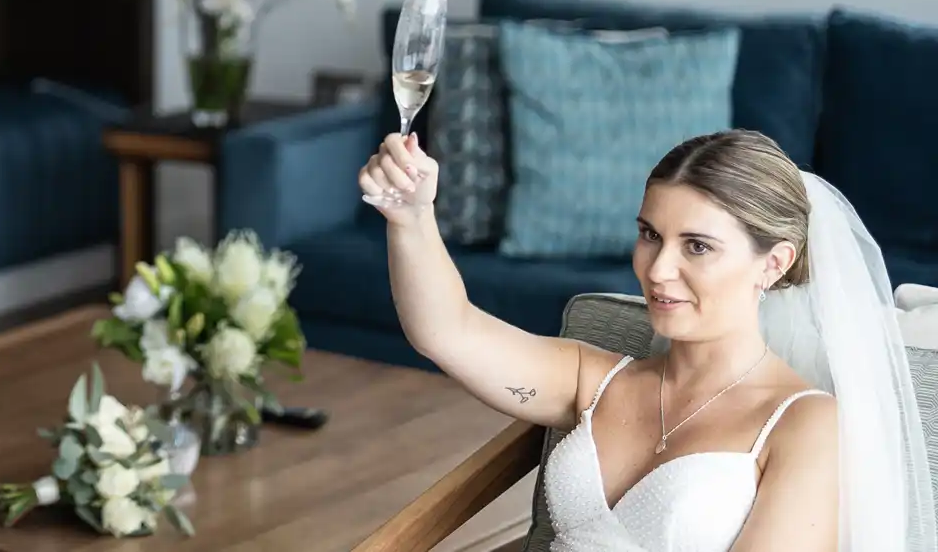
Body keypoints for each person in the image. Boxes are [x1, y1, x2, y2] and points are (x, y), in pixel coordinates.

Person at [359, 127, 936, 551]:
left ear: (774, 264)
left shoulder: (805, 426)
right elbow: (446, 331)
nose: (658, 269)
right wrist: (411, 217)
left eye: (697, 245)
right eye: (649, 234)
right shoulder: (592, 379)